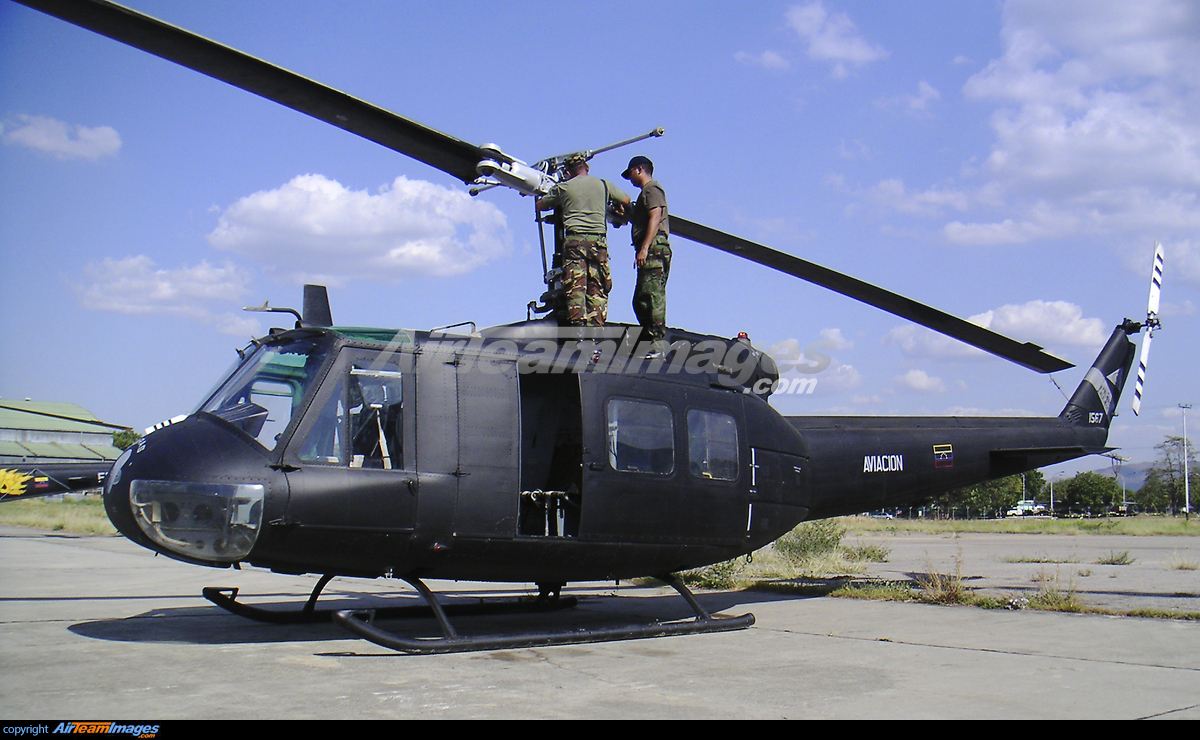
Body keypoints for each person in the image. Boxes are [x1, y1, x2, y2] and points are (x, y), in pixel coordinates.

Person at [536, 154, 630, 327]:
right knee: (597, 285)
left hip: (574, 242)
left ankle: (578, 330)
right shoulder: (603, 184)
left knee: (575, 286)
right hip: (597, 242)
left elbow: (540, 205)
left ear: (569, 172)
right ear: (587, 168)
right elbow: (626, 199)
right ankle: (595, 330)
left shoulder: (564, 187)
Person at [622, 155, 670, 343]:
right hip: (651, 248)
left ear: (639, 169)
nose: (631, 178)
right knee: (641, 298)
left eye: (631, 173)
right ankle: (649, 336)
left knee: (651, 296)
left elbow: (655, 217)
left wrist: (644, 248)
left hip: (654, 249)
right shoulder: (645, 194)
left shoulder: (652, 190)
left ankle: (656, 342)